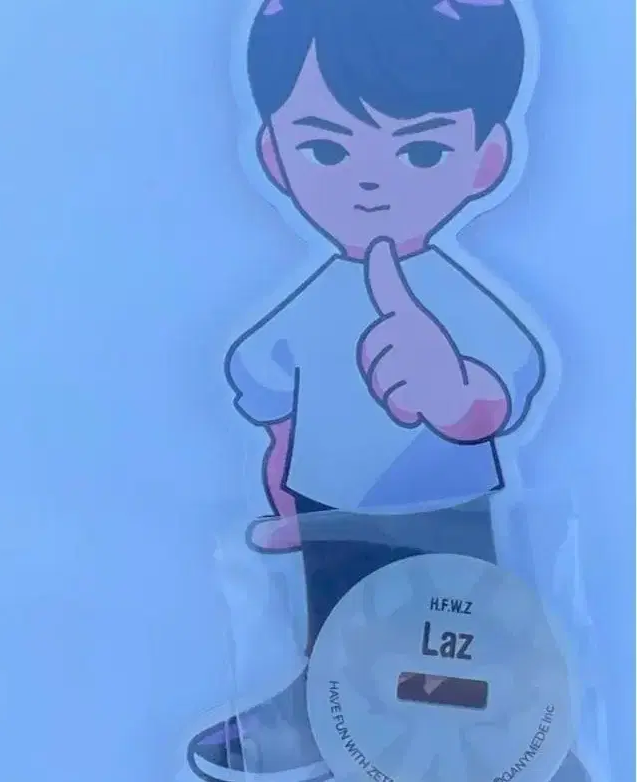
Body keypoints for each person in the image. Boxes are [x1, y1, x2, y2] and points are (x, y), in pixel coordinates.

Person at [187, 0, 588, 779]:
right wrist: (284, 489)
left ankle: (522, 730)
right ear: (275, 156)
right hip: (327, 503)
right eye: (327, 150)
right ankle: (321, 708)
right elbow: (271, 396)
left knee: (465, 617)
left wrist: (455, 396)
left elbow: (505, 390)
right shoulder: (312, 300)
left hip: (445, 503)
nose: (370, 181)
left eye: (422, 152)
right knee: (336, 620)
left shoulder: (452, 296)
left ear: (486, 159)